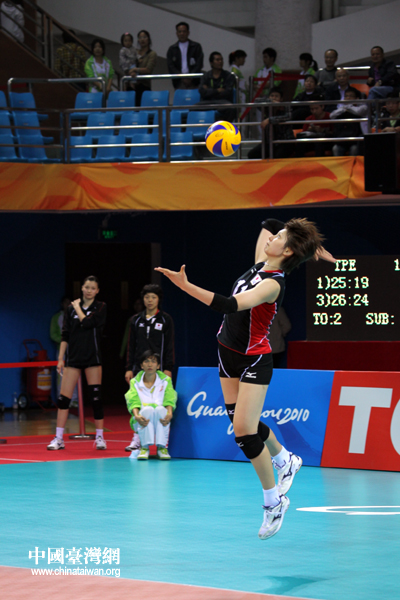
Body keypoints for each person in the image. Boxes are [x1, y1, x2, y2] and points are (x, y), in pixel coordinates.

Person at [155, 218, 335, 540]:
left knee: (244, 431)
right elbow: (270, 224)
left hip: (254, 359)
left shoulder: (273, 284)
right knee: (239, 420)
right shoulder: (261, 263)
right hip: (227, 352)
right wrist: (310, 245)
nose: (271, 237)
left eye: (279, 238)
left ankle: (273, 502)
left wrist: (185, 286)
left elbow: (230, 304)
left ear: (288, 251)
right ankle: (285, 459)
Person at [47, 276, 107, 451]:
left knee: (96, 398)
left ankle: (100, 437)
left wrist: (77, 307)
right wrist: (60, 358)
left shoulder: (101, 307)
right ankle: (59, 438)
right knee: (63, 399)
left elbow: (88, 323)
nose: (89, 290)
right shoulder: (70, 309)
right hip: (73, 358)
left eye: (93, 288)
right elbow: (65, 334)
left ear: (97, 291)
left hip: (92, 358)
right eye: (86, 287)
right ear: (82, 288)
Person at [125, 350, 177, 460]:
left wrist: (170, 413)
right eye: (146, 361)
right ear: (141, 365)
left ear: (158, 366)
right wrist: (136, 415)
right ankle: (144, 447)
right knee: (147, 409)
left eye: (153, 362)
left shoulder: (165, 381)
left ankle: (162, 448)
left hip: (160, 417)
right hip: (141, 418)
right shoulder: (135, 382)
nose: (150, 364)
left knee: (161, 410)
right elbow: (133, 400)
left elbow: (170, 398)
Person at [125, 283, 174, 383]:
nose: (150, 300)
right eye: (147, 297)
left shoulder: (165, 319)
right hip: (139, 368)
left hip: (159, 369)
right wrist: (129, 368)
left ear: (159, 299)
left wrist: (168, 368)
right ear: (143, 299)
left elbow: (169, 345)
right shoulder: (136, 320)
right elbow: (131, 345)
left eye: (153, 297)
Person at [248, 88, 294, 159]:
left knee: (277, 156)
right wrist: (271, 101)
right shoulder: (266, 107)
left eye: (276, 96)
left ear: (281, 99)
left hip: (285, 142)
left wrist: (270, 120)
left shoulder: (285, 106)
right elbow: (256, 101)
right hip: (269, 142)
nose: (274, 98)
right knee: (252, 154)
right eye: (272, 96)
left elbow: (288, 116)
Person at [49, 296, 78, 407]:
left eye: (69, 302)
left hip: (75, 351)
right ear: (62, 304)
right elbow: (53, 334)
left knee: (75, 375)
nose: (67, 304)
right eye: (66, 302)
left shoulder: (76, 315)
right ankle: (61, 399)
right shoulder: (57, 317)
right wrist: (64, 341)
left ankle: (74, 400)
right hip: (62, 350)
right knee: (61, 375)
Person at [198, 51, 236, 122]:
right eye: (217, 60)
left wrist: (209, 91)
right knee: (192, 109)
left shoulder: (229, 76)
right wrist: (217, 90)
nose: (220, 62)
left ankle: (223, 126)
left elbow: (227, 92)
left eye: (221, 60)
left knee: (231, 109)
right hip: (207, 102)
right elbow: (202, 92)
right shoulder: (206, 76)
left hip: (222, 102)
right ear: (211, 63)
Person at [330, 87, 367, 156]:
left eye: (351, 96)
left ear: (357, 98)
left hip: (356, 140)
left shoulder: (362, 108)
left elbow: (358, 112)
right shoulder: (342, 108)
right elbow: (332, 115)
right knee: (335, 148)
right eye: (346, 96)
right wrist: (345, 108)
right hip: (342, 139)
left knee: (354, 149)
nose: (348, 98)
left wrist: (348, 106)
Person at [167, 21, 203, 89]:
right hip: (179, 82)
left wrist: (190, 77)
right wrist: (182, 77)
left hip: (194, 81)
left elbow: (199, 64)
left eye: (184, 31)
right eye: (180, 32)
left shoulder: (196, 47)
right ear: (176, 33)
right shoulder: (172, 49)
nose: (182, 34)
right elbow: (171, 66)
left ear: (188, 32)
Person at [130, 29, 157, 106]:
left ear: (149, 39)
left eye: (144, 37)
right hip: (133, 85)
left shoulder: (152, 54)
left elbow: (148, 69)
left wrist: (135, 69)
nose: (142, 40)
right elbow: (129, 65)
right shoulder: (135, 52)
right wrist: (131, 72)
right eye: (140, 38)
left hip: (144, 85)